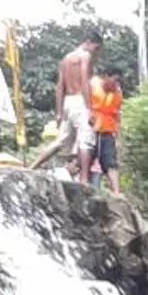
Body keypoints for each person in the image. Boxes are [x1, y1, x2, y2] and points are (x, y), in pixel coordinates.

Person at [55, 32, 102, 184]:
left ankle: (34, 165)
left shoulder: (66, 59)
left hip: (67, 101)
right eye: (96, 48)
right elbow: (84, 81)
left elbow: (59, 86)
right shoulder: (85, 56)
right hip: (80, 100)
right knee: (86, 141)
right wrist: (90, 108)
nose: (96, 53)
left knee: (61, 142)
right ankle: (84, 179)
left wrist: (59, 111)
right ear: (88, 42)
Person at [86, 71, 124, 194]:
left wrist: (118, 134)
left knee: (110, 162)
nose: (115, 85)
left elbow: (117, 114)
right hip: (91, 129)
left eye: (117, 83)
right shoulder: (93, 85)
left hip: (108, 132)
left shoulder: (117, 93)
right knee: (85, 159)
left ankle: (116, 192)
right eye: (113, 81)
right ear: (106, 77)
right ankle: (82, 184)